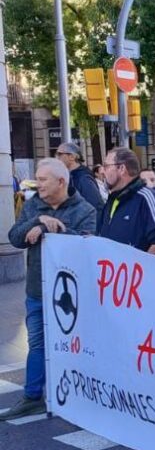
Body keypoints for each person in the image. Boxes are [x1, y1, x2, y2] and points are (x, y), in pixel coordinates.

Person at [4, 159, 97, 420]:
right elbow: (15, 237)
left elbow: (87, 245)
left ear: (61, 181)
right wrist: (38, 219)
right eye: (37, 178)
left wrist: (49, 228)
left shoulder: (86, 209)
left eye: (43, 179)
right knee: (37, 343)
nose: (38, 184)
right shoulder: (34, 204)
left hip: (71, 294)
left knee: (74, 344)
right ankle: (33, 396)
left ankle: (81, 395)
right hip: (36, 289)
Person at [98, 148, 155, 254]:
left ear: (121, 168)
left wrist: (139, 268)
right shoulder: (112, 200)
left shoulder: (145, 197)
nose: (102, 171)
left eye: (106, 166)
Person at [55, 141, 104, 213]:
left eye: (59, 154)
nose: (56, 157)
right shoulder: (68, 176)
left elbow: (96, 207)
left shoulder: (83, 179)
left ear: (72, 157)